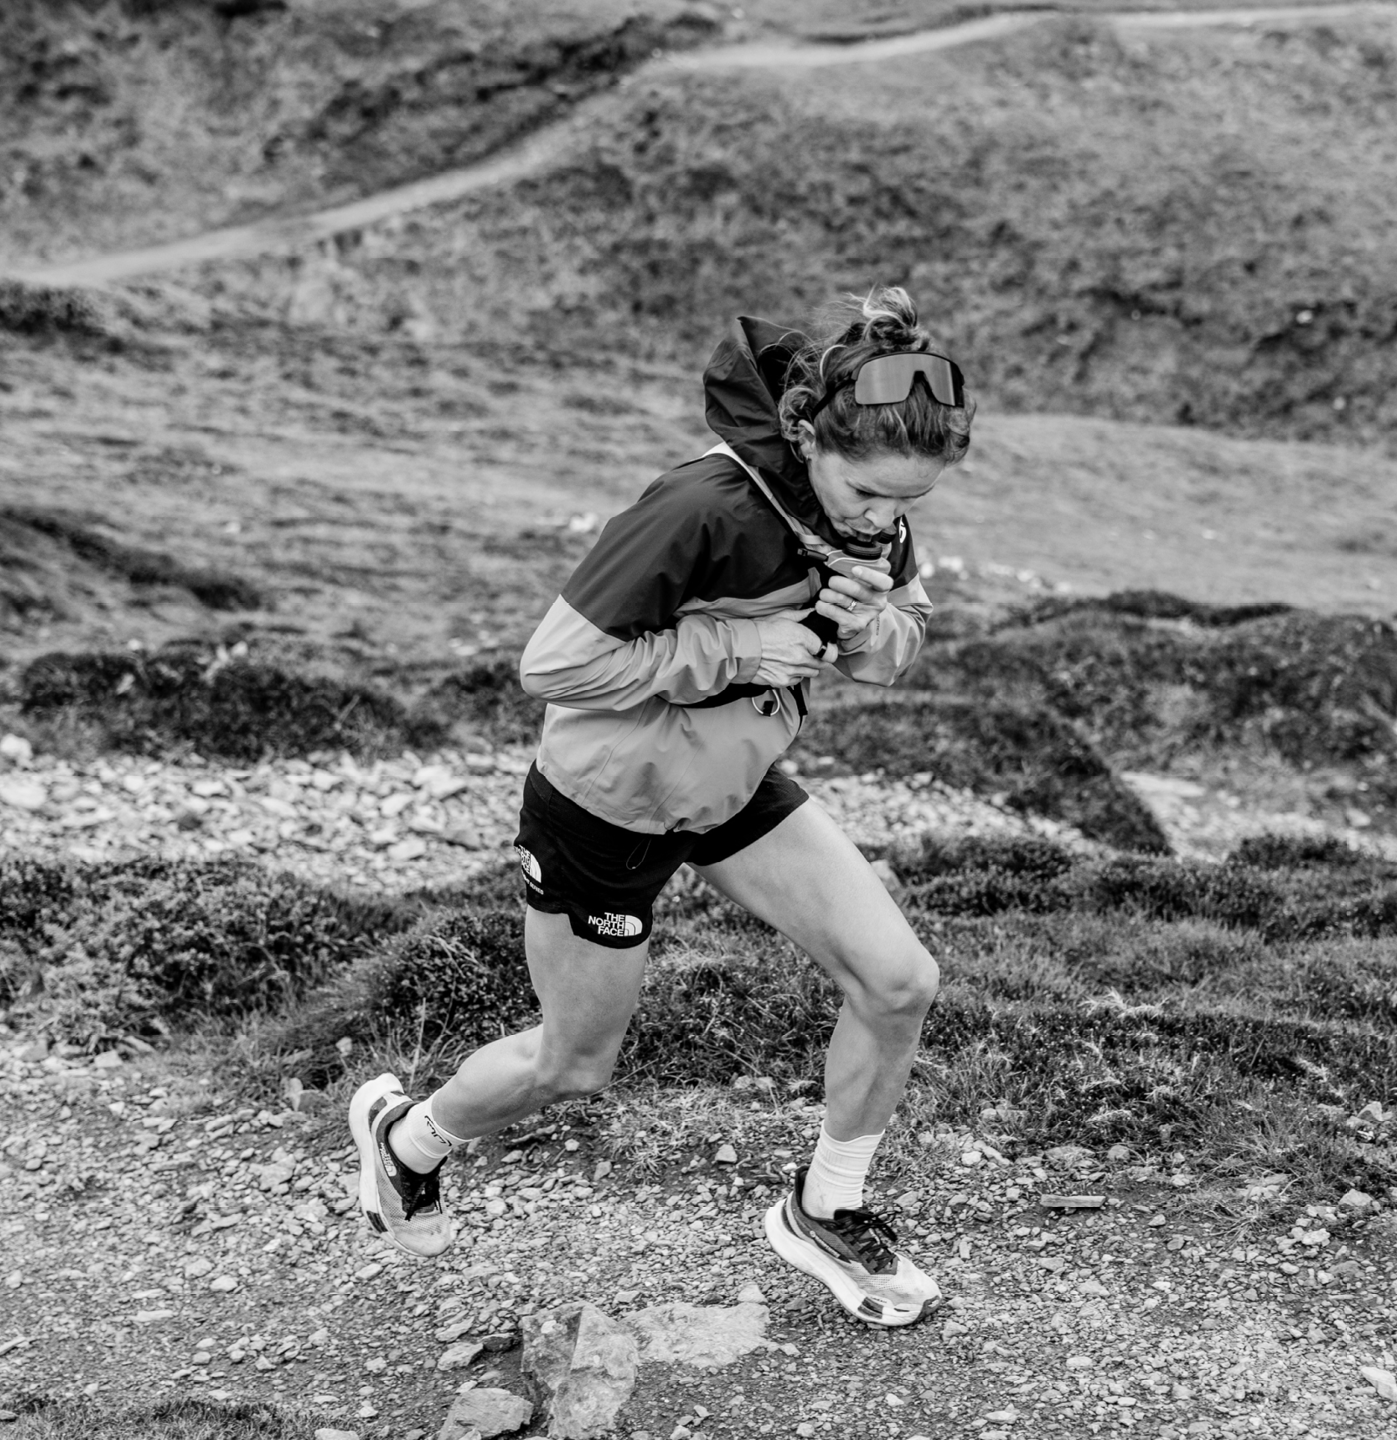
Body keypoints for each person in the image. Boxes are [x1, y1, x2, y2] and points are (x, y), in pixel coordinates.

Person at [349, 285, 976, 1327]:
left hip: (730, 786)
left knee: (901, 980)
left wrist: (869, 626)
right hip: (606, 805)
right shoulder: (702, 509)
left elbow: (894, 646)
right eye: (865, 492)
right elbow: (551, 665)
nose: (882, 519)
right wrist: (740, 648)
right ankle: (407, 1142)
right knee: (574, 1063)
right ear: (805, 434)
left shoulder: (877, 519)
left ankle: (826, 1208)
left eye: (906, 502)